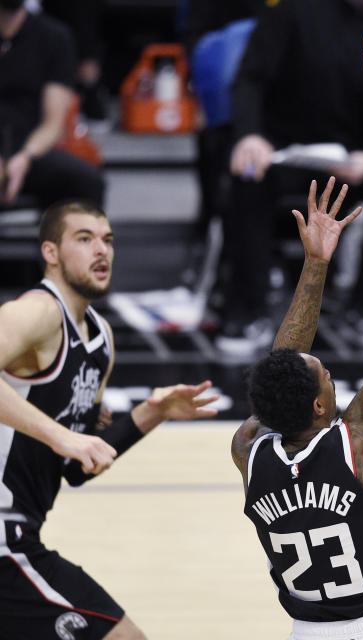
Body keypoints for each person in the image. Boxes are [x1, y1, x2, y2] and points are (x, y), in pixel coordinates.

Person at [231, 116, 363, 640]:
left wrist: (315, 264)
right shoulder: (361, 441)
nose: (328, 369)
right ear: (321, 408)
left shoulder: (249, 450)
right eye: (325, 376)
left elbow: (281, 366)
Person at [0, 199, 219, 638]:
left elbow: (77, 468)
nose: (101, 250)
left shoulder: (101, 339)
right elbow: (69, 445)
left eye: (108, 240)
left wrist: (151, 414)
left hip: (22, 532)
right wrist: (64, 436)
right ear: (51, 252)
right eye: (84, 239)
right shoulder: (38, 312)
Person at [219, 0, 363, 353]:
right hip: (283, 151)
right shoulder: (289, 9)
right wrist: (250, 135)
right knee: (248, 174)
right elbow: (250, 80)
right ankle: (247, 309)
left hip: (351, 161)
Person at [0, 1, 105, 210]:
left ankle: (64, 242)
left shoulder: (54, 37)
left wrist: (25, 158)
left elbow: (53, 124)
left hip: (32, 148)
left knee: (86, 181)